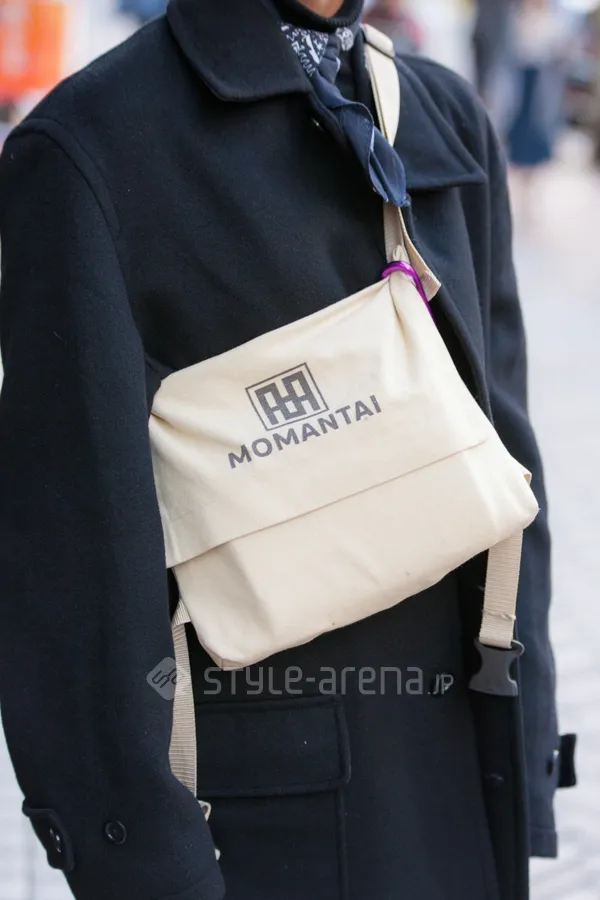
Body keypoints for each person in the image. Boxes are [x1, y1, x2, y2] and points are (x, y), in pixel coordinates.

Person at [0, 1, 575, 899]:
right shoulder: (91, 146)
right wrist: (144, 861)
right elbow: (76, 563)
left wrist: (526, 743)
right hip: (273, 826)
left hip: (464, 778)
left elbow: (509, 448)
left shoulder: (439, 110)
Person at [506, 0, 568, 173]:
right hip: (522, 76)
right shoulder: (518, 17)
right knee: (520, 118)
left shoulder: (553, 19)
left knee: (539, 120)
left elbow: (557, 48)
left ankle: (535, 163)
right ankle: (518, 161)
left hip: (542, 77)